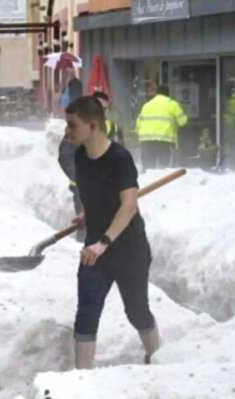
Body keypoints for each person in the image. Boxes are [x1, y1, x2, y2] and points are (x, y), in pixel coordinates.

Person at [65, 96, 160, 369]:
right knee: (87, 311)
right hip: (96, 249)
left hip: (128, 249)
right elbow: (96, 193)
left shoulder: (120, 158)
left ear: (92, 126)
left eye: (72, 125)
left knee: (137, 311)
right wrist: (89, 214)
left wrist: (102, 243)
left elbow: (129, 206)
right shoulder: (80, 155)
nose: (67, 132)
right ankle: (81, 378)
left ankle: (156, 358)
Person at [58, 90, 122, 241]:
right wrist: (80, 176)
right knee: (86, 226)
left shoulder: (112, 127)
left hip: (109, 187)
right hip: (83, 189)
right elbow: (65, 156)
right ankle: (81, 251)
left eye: (104, 109)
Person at [136, 84, 188, 170]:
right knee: (164, 170)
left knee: (148, 170)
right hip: (164, 141)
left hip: (146, 141)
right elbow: (183, 121)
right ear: (168, 93)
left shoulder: (146, 105)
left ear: (157, 93)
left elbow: (138, 125)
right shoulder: (172, 104)